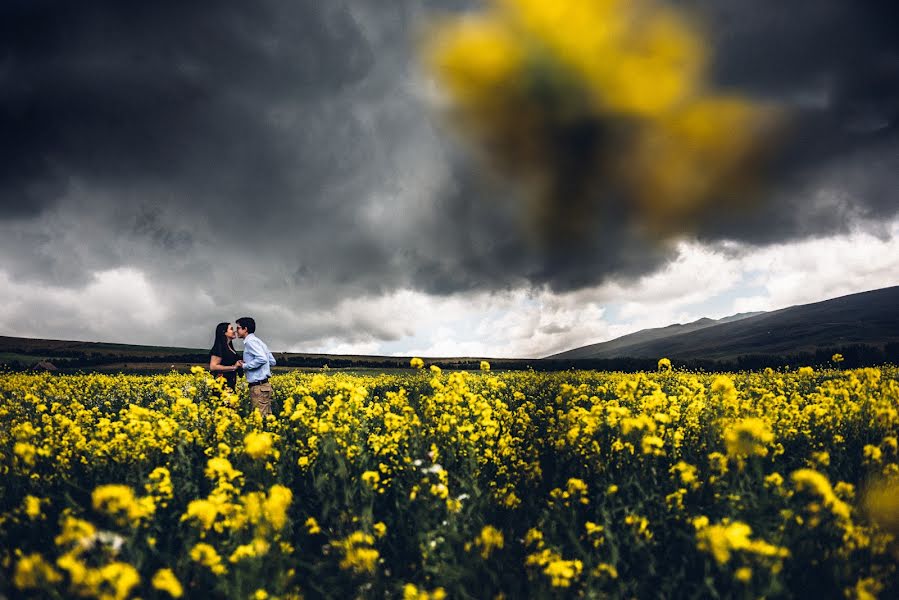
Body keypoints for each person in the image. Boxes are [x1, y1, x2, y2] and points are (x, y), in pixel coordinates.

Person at [235, 316, 276, 417]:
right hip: (265, 386)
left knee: (259, 420)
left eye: (238, 328)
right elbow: (272, 361)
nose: (236, 331)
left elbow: (262, 359)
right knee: (267, 418)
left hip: (258, 387)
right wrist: (260, 367)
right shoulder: (259, 342)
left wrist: (245, 366)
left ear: (245, 329)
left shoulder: (250, 342)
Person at [209, 322, 241, 390]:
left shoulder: (230, 347)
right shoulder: (218, 347)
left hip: (230, 383)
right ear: (224, 332)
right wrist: (234, 367)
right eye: (231, 329)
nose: (234, 331)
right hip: (221, 386)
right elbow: (213, 366)